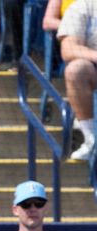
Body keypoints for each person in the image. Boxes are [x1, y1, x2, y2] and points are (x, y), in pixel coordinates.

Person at [57, 0, 97, 160]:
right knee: (75, 70)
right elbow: (68, 49)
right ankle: (91, 138)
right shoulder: (82, 7)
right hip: (93, 71)